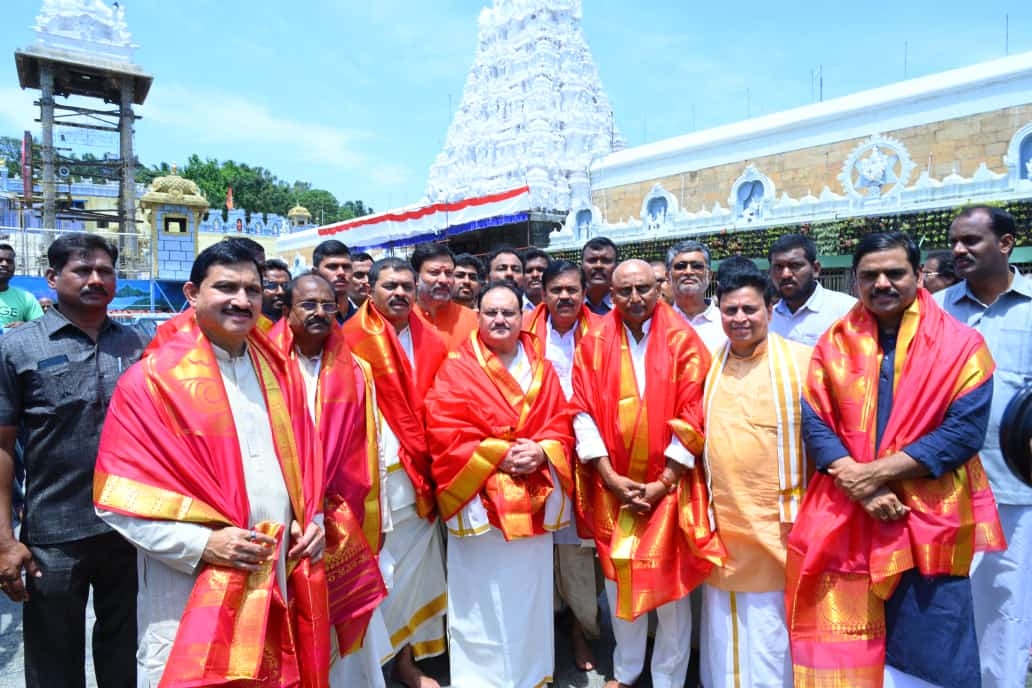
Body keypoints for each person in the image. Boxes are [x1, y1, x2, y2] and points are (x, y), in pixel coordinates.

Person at [94, 241, 329, 687]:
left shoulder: (280, 374)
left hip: (275, 566)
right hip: (190, 579)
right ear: (192, 293)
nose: (242, 300)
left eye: (252, 290)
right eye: (225, 287)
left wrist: (310, 517)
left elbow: (306, 468)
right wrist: (203, 546)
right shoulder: (150, 382)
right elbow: (116, 497)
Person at [787, 231, 1002, 688]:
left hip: (927, 516)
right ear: (855, 282)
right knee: (845, 637)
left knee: (932, 645)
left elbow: (962, 433)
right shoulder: (834, 343)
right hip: (847, 516)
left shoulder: (961, 345)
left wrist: (871, 478)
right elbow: (815, 421)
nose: (881, 283)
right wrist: (861, 487)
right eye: (869, 275)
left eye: (894, 273)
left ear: (918, 274)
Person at [0, 233, 147, 687]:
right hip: (54, 534)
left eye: (105, 270)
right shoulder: (18, 347)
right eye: (82, 270)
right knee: (53, 660)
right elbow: (3, 447)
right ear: (52, 278)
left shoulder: (139, 346)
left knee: (125, 653)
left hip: (130, 529)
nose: (95, 279)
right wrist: (5, 540)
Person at [571, 259, 723, 688]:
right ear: (610, 295)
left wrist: (663, 482)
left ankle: (668, 679)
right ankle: (626, 670)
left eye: (643, 288)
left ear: (660, 289)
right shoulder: (594, 342)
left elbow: (695, 412)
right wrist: (610, 477)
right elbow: (580, 412)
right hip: (613, 484)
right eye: (625, 291)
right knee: (621, 579)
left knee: (668, 586)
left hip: (668, 485)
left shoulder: (684, 340)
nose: (635, 298)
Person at [425, 283, 574, 688]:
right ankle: (479, 680)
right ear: (478, 314)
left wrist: (544, 451)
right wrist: (496, 454)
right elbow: (442, 429)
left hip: (534, 494)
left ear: (521, 315)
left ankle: (531, 675)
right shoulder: (457, 367)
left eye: (509, 312)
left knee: (530, 591)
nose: (500, 320)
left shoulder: (540, 365)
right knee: (480, 598)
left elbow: (561, 421)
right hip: (479, 501)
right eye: (491, 312)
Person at [269, 273, 388, 687]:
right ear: (287, 310)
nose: (320, 313)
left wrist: (378, 520)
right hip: (280, 518)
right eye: (308, 305)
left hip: (339, 516)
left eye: (327, 305)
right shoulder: (264, 363)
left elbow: (372, 448)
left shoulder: (356, 370)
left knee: (342, 626)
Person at [699, 265, 812, 688]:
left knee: (770, 634)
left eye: (750, 308)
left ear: (771, 308)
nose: (740, 318)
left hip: (779, 526)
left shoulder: (802, 363)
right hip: (723, 522)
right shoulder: (710, 365)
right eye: (730, 310)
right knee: (723, 633)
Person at [935, 206, 1032, 688]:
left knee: (1008, 614)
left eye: (971, 240)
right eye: (955, 241)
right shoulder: (936, 309)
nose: (958, 250)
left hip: (1014, 492)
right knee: (947, 612)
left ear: (1007, 244)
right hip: (944, 491)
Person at [343, 258, 450, 688]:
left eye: (407, 284)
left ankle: (404, 663)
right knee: (375, 576)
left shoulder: (434, 339)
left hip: (421, 477)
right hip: (373, 481)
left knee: (409, 578)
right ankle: (370, 667)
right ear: (370, 290)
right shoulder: (348, 338)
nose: (400, 292)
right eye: (390, 285)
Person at [522, 260, 600, 672]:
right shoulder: (524, 333)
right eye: (556, 290)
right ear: (543, 293)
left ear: (584, 293)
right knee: (540, 548)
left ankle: (578, 630)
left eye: (572, 289)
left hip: (590, 458)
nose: (564, 297)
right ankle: (542, 634)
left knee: (578, 551)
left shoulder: (605, 333)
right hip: (542, 455)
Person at [768, 233, 856, 346]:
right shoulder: (768, 319)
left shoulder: (846, 310)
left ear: (815, 269)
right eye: (778, 267)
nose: (785, 274)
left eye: (795, 265)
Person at [411, 243, 477, 350]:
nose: (444, 280)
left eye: (448, 273)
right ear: (416, 278)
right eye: (434, 272)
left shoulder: (473, 320)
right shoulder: (404, 320)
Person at [666, 240, 725, 353]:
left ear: (709, 275)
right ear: (668, 276)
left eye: (697, 266)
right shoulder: (655, 325)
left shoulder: (726, 322)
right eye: (680, 266)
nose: (688, 272)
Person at [313, 239, 357, 322]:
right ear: (315, 273)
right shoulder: (310, 321)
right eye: (332, 267)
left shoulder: (365, 319)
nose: (341, 273)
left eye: (346, 267)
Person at [0, 243, 44, 327]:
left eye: (9, 261)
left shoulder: (27, 298)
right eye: (0, 260)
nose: (4, 264)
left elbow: (41, 329)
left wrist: (26, 327)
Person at [582, 237, 618, 314]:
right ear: (582, 266)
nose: (598, 266)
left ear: (616, 267)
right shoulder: (571, 305)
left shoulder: (626, 305)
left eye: (606, 260)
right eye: (592, 260)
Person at [261, 258, 292, 322]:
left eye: (285, 286)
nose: (281, 292)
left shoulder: (296, 325)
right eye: (272, 285)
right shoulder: (250, 326)